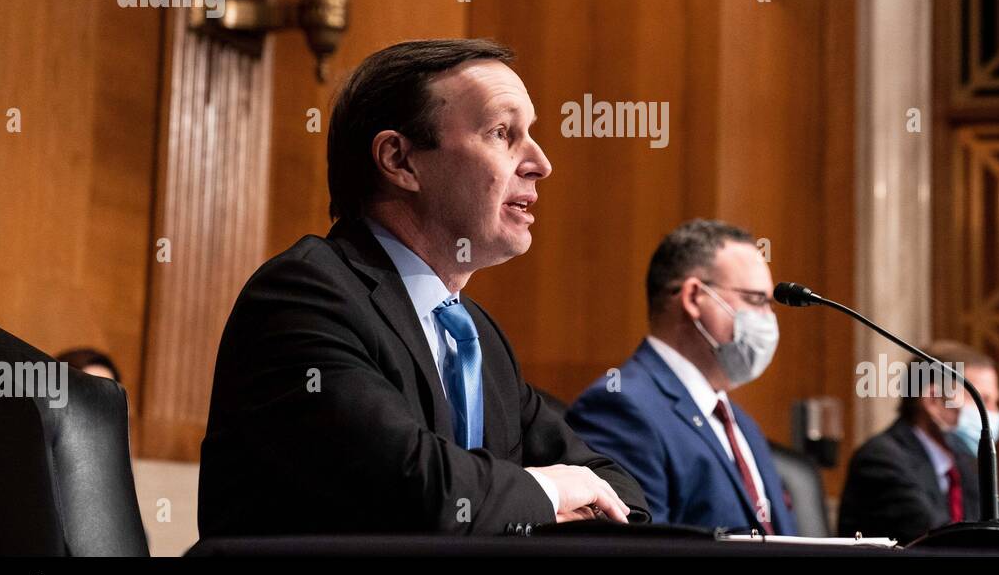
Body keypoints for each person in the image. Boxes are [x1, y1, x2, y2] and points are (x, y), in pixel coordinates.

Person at [199, 39, 649, 536]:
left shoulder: (477, 336)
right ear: (400, 160)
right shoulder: (303, 297)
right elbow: (417, 489)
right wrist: (551, 492)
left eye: (531, 134)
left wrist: (530, 500)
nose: (541, 163)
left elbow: (616, 490)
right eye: (503, 133)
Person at [567, 219, 798, 534]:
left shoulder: (741, 424)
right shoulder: (619, 408)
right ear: (693, 297)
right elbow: (640, 550)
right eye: (756, 300)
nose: (768, 319)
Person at [837, 340, 999, 543]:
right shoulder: (880, 460)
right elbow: (942, 541)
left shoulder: (963, 465)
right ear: (934, 401)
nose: (995, 413)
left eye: (994, 402)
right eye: (983, 400)